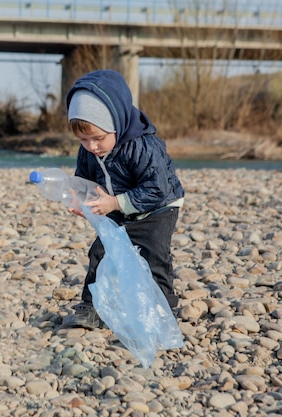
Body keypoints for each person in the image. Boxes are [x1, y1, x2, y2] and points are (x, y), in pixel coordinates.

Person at [60, 69, 185, 330]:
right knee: (101, 251)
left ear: (117, 122)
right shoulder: (89, 151)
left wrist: (115, 203)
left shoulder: (141, 146)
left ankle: (162, 309)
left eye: (98, 138)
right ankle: (91, 306)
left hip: (157, 208)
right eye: (83, 139)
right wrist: (82, 198)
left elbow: (157, 189)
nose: (92, 146)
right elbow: (85, 179)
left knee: (153, 254)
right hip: (115, 204)